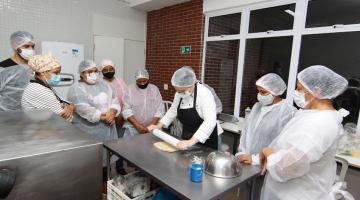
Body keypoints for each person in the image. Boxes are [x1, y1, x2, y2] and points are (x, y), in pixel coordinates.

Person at [260, 65, 349, 200]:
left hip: (295, 194)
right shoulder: (312, 115)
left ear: (317, 91)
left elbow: (287, 168)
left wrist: (268, 153)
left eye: (299, 89)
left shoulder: (319, 123)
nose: (296, 92)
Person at [236, 73, 296, 200]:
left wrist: (257, 159)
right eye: (258, 91)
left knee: (261, 195)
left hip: (268, 167)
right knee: (244, 195)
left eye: (263, 92)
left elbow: (282, 144)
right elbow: (247, 132)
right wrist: (242, 152)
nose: (259, 95)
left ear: (276, 93)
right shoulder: (257, 107)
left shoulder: (286, 112)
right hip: (247, 163)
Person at [67, 60, 121, 189]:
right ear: (81, 73)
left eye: (95, 71)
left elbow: (115, 101)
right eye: (89, 71)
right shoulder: (76, 89)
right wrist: (106, 117)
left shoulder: (105, 85)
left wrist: (112, 113)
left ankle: (104, 185)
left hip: (108, 130)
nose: (93, 74)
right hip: (89, 132)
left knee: (106, 159)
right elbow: (85, 110)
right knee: (91, 162)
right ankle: (91, 187)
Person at [148, 66, 223, 150]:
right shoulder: (179, 94)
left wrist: (191, 142)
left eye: (183, 91)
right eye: (178, 91)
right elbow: (172, 111)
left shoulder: (204, 94)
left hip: (208, 137)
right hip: (188, 135)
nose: (180, 93)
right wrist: (158, 126)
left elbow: (210, 121)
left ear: (192, 84)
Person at [21, 54, 75, 121]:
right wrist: (69, 107)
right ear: (43, 72)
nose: (59, 76)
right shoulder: (39, 90)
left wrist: (70, 106)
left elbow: (64, 102)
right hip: (42, 129)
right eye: (56, 73)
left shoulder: (43, 86)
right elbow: (67, 118)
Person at [99, 59, 128, 175]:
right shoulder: (99, 84)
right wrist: (112, 117)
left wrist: (122, 115)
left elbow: (126, 98)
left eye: (111, 69)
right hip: (107, 119)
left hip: (121, 118)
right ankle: (105, 170)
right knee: (107, 145)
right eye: (105, 69)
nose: (109, 71)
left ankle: (119, 167)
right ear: (101, 71)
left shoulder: (120, 81)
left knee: (119, 144)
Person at [121, 68, 164, 137]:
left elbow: (160, 109)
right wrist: (138, 126)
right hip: (133, 128)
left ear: (148, 79)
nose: (142, 83)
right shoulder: (130, 90)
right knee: (132, 147)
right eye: (139, 81)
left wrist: (151, 126)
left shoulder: (154, 89)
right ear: (135, 80)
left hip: (152, 127)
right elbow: (126, 110)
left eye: (145, 81)